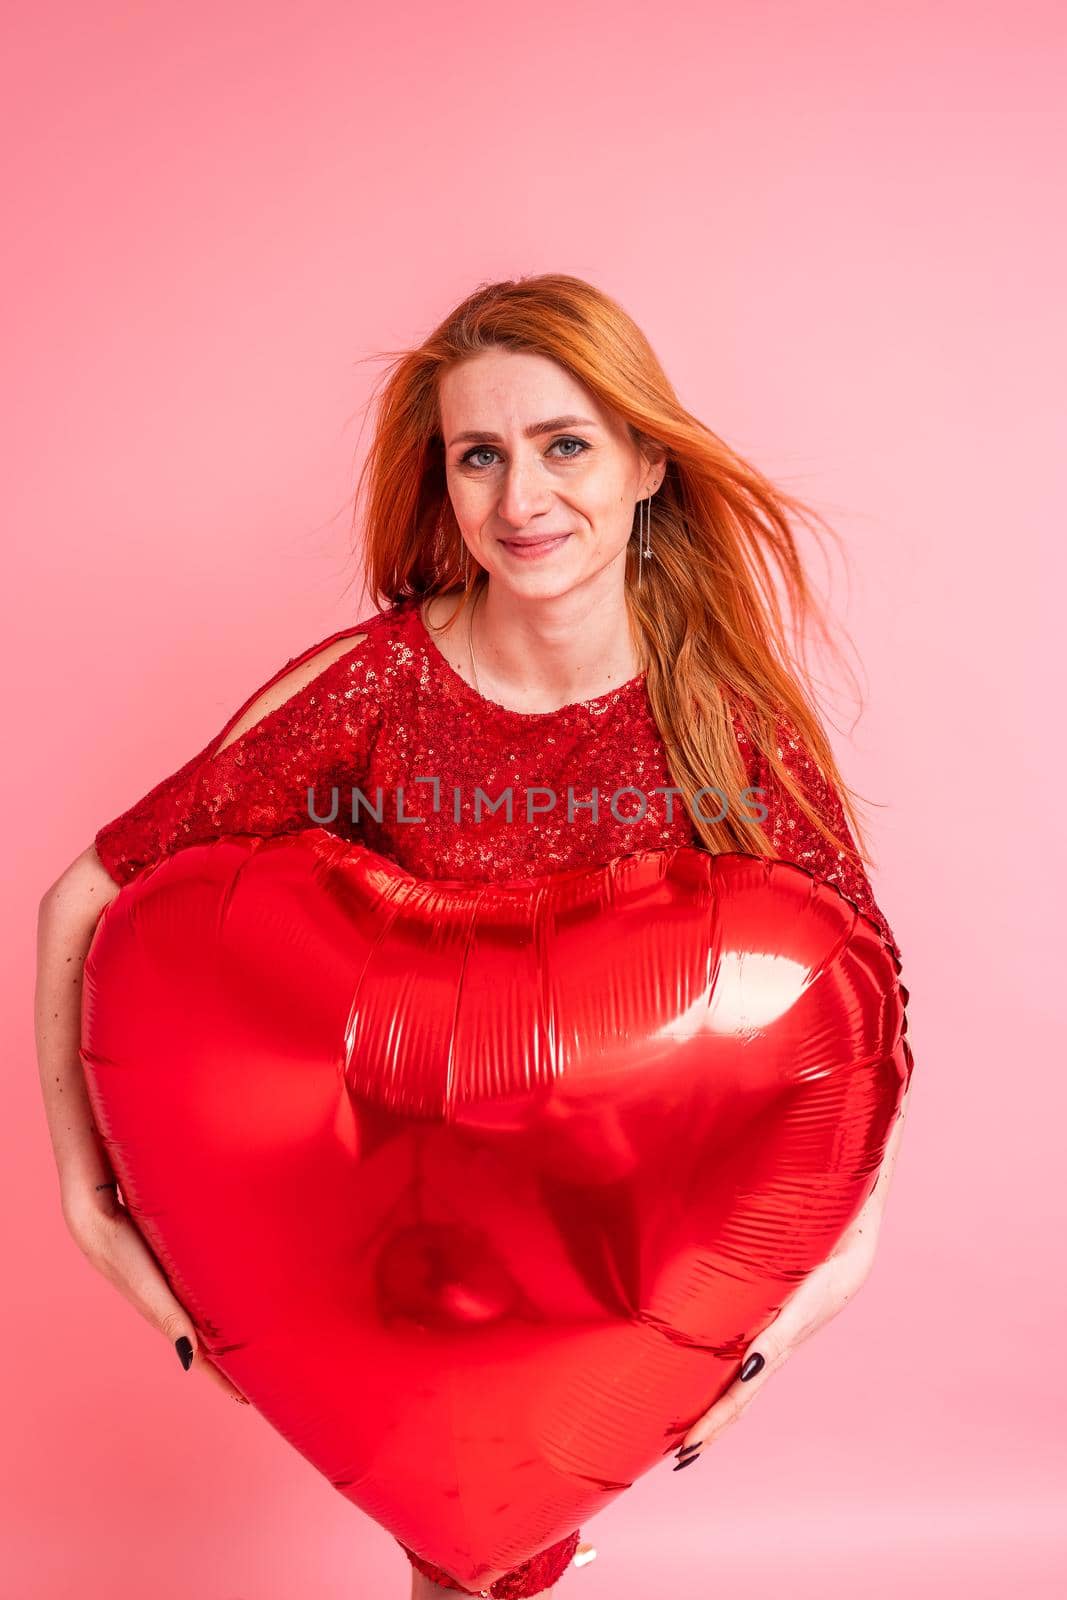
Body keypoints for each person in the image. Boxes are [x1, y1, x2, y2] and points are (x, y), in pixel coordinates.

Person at [36, 273, 910, 1599]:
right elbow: (86, 900)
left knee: (491, 1559)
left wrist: (791, 1312)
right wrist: (87, 1198)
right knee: (465, 1556)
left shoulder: (722, 729)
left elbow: (857, 1020)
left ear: (644, 464)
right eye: (478, 457)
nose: (520, 499)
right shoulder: (379, 687)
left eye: (564, 445)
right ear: (443, 484)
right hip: (394, 1259)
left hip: (618, 1273)